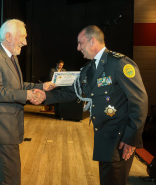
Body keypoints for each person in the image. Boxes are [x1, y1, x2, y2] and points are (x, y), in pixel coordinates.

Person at [36, 25, 148, 185]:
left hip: (120, 140)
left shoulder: (119, 64)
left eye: (80, 43)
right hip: (104, 138)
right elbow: (73, 92)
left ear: (92, 41)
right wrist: (44, 96)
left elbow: (140, 101)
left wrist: (131, 138)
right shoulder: (89, 69)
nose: (78, 48)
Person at [0, 19, 54, 185]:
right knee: (11, 179)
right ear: (8, 36)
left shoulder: (11, 57)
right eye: (23, 37)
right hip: (1, 130)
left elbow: (18, 86)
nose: (25, 42)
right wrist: (27, 95)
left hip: (8, 129)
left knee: (1, 177)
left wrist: (42, 86)